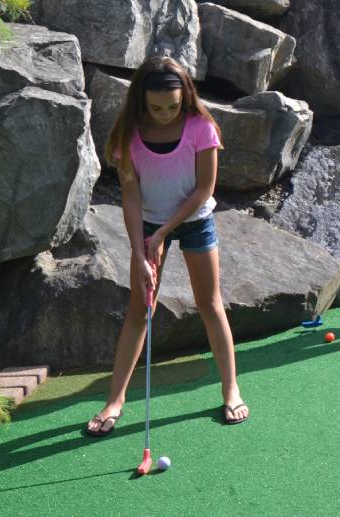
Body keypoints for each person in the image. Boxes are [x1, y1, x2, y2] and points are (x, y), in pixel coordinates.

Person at [85, 57, 248, 436]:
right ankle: (115, 400)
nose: (164, 114)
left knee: (210, 305)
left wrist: (162, 235)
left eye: (172, 106)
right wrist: (141, 252)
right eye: (156, 107)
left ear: (185, 96)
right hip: (147, 225)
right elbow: (130, 198)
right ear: (141, 101)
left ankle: (231, 390)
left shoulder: (201, 128)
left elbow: (204, 189)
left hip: (194, 222)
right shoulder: (129, 135)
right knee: (139, 311)